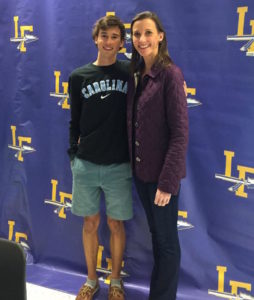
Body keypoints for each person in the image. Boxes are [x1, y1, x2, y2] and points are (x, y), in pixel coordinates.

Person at [68, 15, 132, 300]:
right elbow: (74, 120)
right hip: (87, 164)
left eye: (115, 37)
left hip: (119, 165)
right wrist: (74, 154)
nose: (108, 41)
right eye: (104, 36)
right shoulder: (78, 77)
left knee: (116, 224)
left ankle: (115, 281)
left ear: (121, 42)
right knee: (90, 223)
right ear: (96, 38)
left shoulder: (130, 73)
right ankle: (92, 280)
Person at [126, 11, 189, 300]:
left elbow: (179, 135)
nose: (141, 39)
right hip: (141, 175)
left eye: (148, 33)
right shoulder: (136, 74)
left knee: (166, 244)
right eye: (136, 34)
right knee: (158, 239)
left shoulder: (170, 75)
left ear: (160, 36)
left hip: (162, 180)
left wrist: (167, 183)